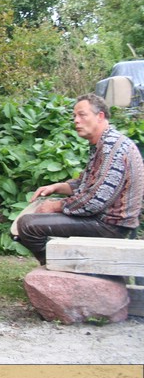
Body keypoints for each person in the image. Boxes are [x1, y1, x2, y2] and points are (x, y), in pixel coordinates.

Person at [16, 93, 143, 264]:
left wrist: (55, 205)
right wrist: (57, 187)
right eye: (74, 116)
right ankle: (62, 264)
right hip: (104, 220)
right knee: (33, 219)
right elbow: (87, 183)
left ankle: (58, 267)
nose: (76, 120)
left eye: (82, 115)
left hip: (110, 225)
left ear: (100, 116)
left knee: (27, 225)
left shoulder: (111, 148)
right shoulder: (104, 143)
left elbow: (94, 201)